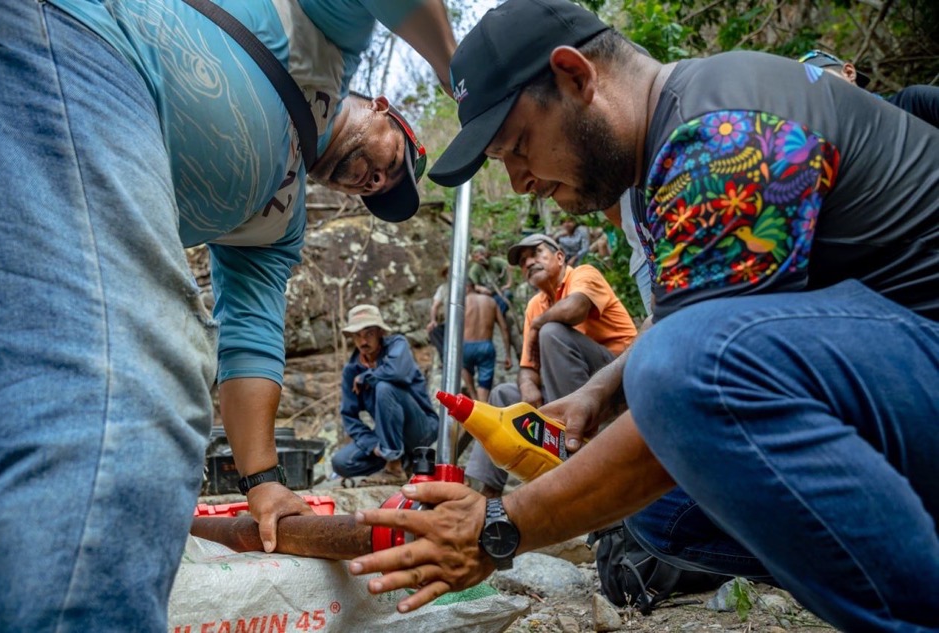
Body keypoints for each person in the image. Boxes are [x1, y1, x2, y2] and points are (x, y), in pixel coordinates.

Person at [347, 1, 939, 631]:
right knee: (657, 516)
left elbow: (698, 366)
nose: (519, 182)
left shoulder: (721, 133)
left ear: (576, 77)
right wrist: (598, 393)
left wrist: (499, 525)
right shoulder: (674, 144)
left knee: (677, 377)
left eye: (517, 146)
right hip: (901, 377)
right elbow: (713, 319)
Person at [0, 0, 455, 629]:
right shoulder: (330, 39)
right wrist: (464, 76)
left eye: (380, 190)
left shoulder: (277, 221)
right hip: (83, 45)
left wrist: (261, 478)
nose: (375, 180)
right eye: (391, 158)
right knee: (123, 397)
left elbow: (251, 336)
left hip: (54, 171)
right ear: (381, 107)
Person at [466, 233, 637, 497]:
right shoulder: (536, 304)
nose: (529, 263)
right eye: (523, 261)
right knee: (504, 396)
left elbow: (576, 308)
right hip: (568, 387)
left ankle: (571, 457)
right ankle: (485, 495)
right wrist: (527, 389)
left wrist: (537, 325)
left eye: (536, 254)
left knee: (552, 331)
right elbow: (527, 367)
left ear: (560, 257)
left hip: (620, 380)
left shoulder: (583, 274)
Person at [331, 305, 439, 486]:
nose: (363, 341)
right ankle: (399, 460)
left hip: (421, 430)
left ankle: (394, 467)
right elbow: (349, 416)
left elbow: (396, 372)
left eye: (369, 334)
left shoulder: (397, 345)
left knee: (384, 387)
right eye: (357, 335)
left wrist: (366, 377)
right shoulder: (351, 370)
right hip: (387, 437)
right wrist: (372, 445)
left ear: (380, 332)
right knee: (341, 462)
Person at [799, 49, 939, 127]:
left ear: (849, 73)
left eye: (820, 82)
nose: (820, 96)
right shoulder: (843, 157)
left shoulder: (914, 103)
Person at [461, 281, 513, 402]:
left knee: (465, 368)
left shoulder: (462, 303)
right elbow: (504, 328)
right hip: (486, 346)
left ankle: (473, 398)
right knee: (484, 386)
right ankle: (482, 404)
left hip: (466, 345)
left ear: (466, 288)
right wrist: (508, 355)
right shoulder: (491, 302)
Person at [426, 264, 450, 363]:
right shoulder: (443, 288)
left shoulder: (466, 285)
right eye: (448, 273)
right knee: (433, 331)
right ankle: (444, 356)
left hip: (466, 322)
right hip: (449, 322)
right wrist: (433, 321)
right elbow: (435, 306)